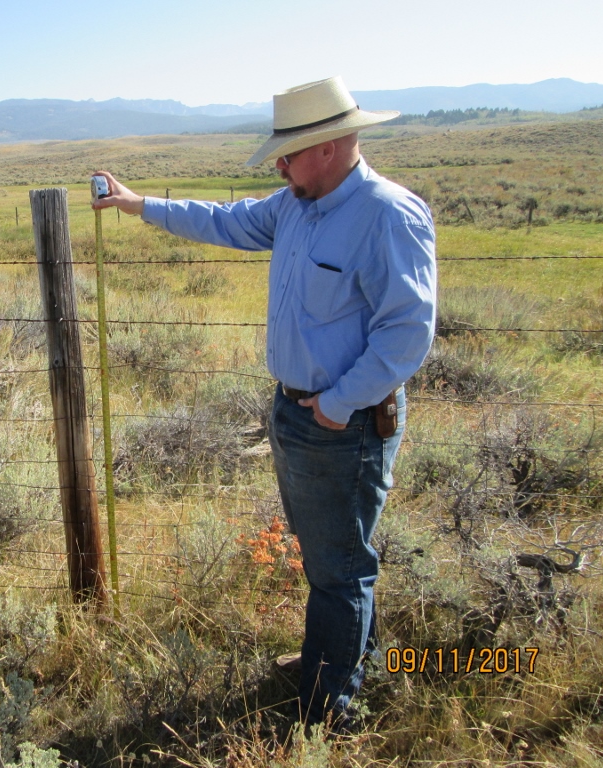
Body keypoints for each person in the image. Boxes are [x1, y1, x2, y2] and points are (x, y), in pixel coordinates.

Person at [92, 76, 437, 730]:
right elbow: (223, 221)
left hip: (344, 424)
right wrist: (138, 205)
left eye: (289, 152)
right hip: (298, 415)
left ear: (331, 147)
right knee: (328, 556)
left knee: (340, 569)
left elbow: (407, 333)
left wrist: (338, 402)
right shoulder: (294, 205)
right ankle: (334, 665)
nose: (279, 164)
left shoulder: (388, 215)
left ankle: (327, 708)